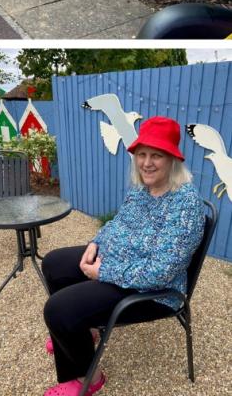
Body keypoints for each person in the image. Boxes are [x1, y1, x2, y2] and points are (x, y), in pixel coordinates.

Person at [40, 116, 205, 396]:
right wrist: (96, 242)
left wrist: (102, 272)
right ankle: (82, 333)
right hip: (118, 263)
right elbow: (118, 223)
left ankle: (87, 377)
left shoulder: (186, 205)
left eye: (157, 155)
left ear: (172, 160)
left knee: (58, 310)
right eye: (142, 154)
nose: (147, 163)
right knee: (54, 263)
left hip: (154, 291)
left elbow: (160, 271)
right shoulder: (143, 189)